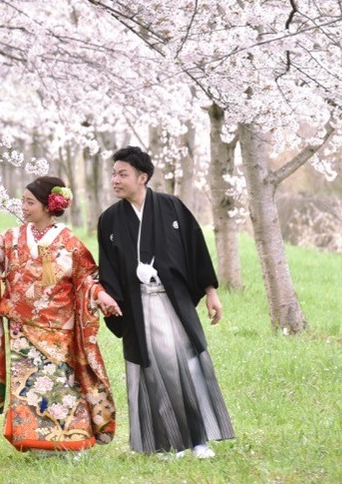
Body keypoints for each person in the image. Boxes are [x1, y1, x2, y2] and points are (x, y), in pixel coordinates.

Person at [0, 176, 118, 454]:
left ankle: (73, 442)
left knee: (62, 385)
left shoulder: (68, 241)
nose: (23, 207)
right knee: (28, 389)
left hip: (58, 328)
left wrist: (101, 296)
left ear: (49, 205)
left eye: (30, 202)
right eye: (23, 201)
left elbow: (86, 278)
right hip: (21, 327)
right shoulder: (13, 238)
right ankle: (38, 444)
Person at [96, 146, 234, 458]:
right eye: (113, 173)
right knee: (151, 371)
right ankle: (165, 442)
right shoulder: (110, 220)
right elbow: (108, 267)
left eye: (123, 174)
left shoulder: (172, 207)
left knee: (186, 365)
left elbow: (196, 249)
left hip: (172, 302)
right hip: (136, 305)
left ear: (142, 177)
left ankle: (198, 439)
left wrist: (211, 292)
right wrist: (108, 298)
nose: (115, 180)